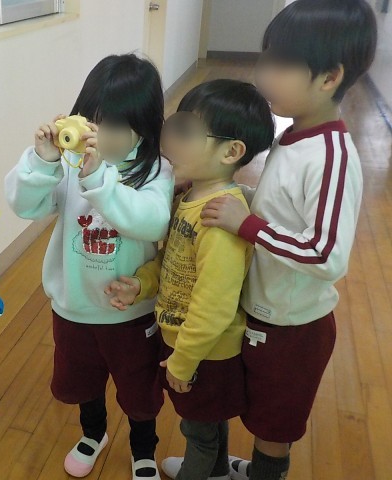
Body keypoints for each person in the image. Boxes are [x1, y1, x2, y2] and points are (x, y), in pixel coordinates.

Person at [199, 1, 378, 478]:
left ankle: (266, 472)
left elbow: (325, 254)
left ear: (329, 77)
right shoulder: (293, 134)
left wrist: (248, 226)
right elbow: (280, 209)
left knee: (274, 426)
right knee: (252, 403)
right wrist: (229, 195)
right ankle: (221, 469)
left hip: (294, 328)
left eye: (281, 65)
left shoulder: (332, 157)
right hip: (263, 308)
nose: (263, 75)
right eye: (266, 59)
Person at [5, 54, 174, 480]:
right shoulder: (66, 165)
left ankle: (143, 450)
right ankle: (93, 433)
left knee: (139, 390)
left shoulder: (154, 170)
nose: (99, 134)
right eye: (92, 120)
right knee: (83, 382)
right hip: (74, 308)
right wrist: (43, 161)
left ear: (144, 127)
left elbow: (152, 221)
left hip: (130, 315)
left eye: (114, 125)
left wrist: (99, 179)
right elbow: (25, 206)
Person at [106, 79, 274, 480]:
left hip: (205, 353)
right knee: (207, 423)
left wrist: (183, 362)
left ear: (231, 152)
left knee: (198, 434)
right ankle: (216, 472)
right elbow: (171, 263)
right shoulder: (188, 199)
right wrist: (142, 284)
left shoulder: (219, 218)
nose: (170, 142)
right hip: (190, 346)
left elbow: (215, 305)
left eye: (186, 132)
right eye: (173, 127)